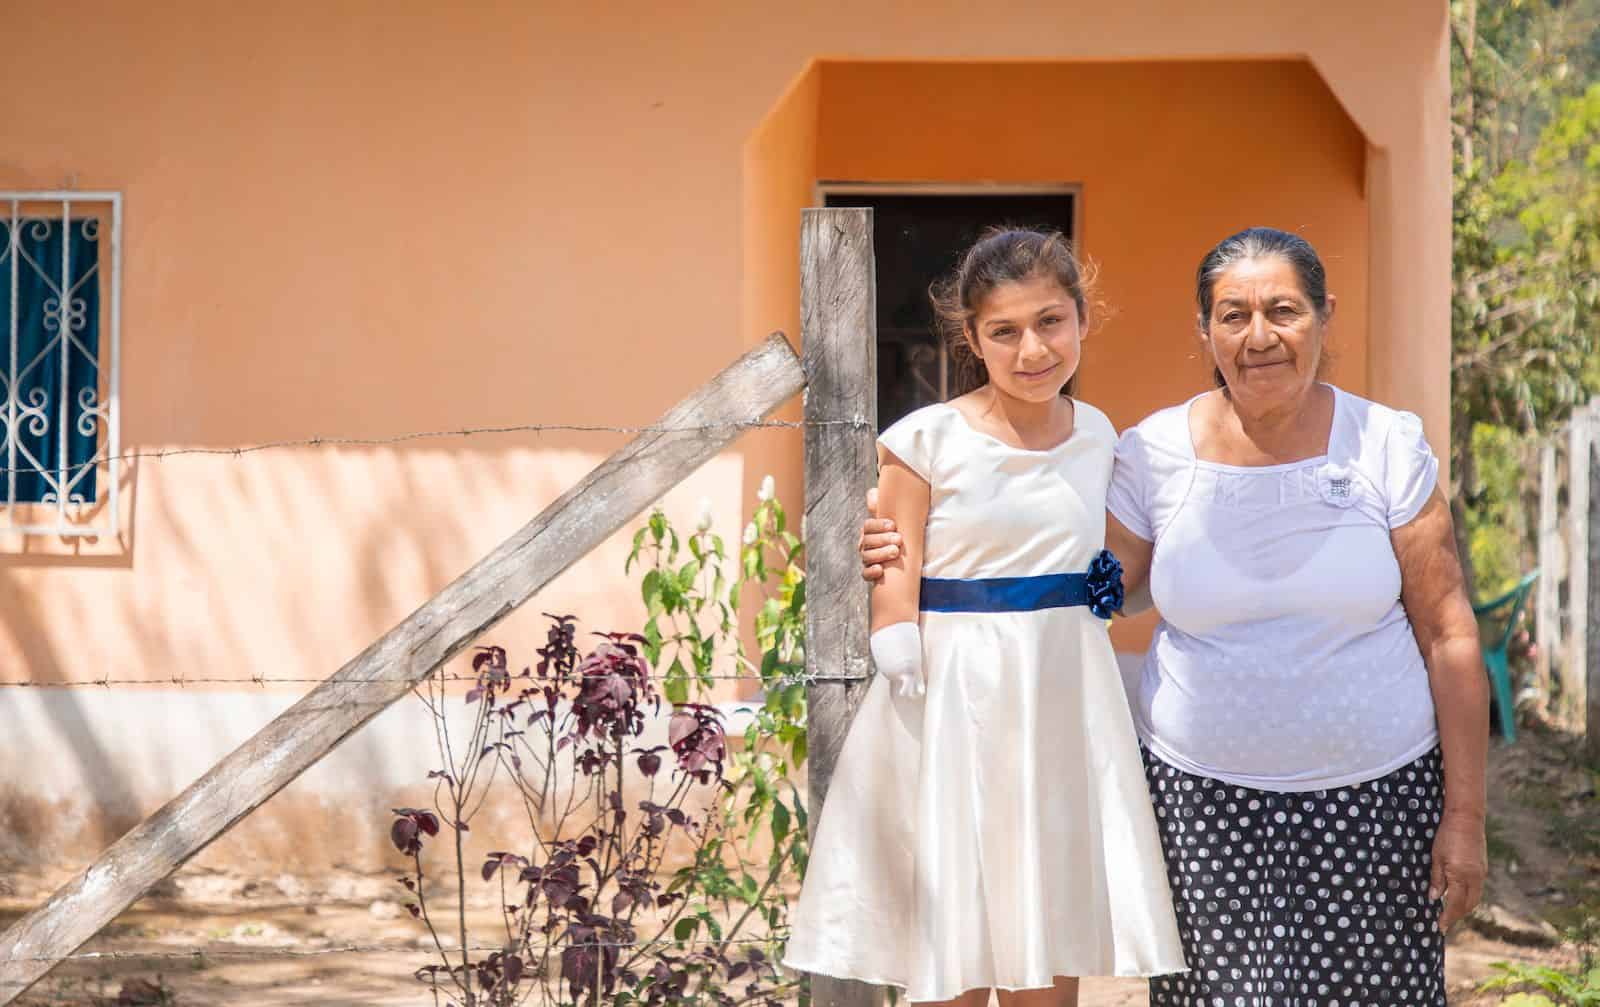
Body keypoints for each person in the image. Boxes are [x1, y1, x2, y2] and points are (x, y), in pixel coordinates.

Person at [858, 227, 1487, 1005]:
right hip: (1201, 814)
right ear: (1205, 332)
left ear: (1324, 316)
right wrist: (926, 554)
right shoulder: (1152, 452)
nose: (1259, 335)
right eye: (1233, 315)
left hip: (1375, 808)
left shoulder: (1384, 445)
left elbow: (1450, 633)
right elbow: (1105, 579)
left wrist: (1466, 816)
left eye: (1283, 310)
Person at [783, 228, 1186, 1007]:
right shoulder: (926, 439)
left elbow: (1095, 543)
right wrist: (893, 627)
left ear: (1081, 319)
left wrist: (1104, 582)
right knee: (956, 921)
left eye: (1050, 322)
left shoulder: (1100, 433)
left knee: (1050, 910)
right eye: (1004, 331)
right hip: (955, 696)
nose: (1031, 348)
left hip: (1062, 693)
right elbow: (895, 552)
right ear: (972, 337)